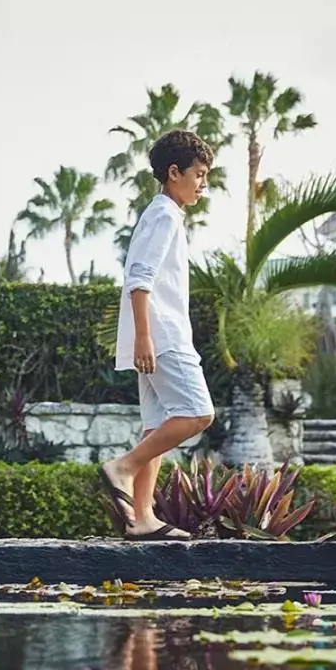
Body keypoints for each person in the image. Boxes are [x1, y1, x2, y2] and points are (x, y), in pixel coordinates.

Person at [98, 130, 216, 540]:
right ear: (173, 172)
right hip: (163, 336)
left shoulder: (162, 214)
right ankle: (123, 468)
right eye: (198, 174)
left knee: (157, 425)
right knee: (199, 413)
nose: (203, 183)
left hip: (158, 334)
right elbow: (139, 279)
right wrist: (145, 338)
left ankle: (142, 518)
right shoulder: (165, 214)